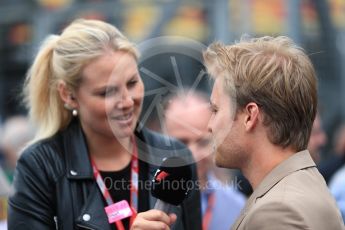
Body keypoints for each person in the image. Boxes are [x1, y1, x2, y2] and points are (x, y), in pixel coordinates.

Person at [8, 19, 202, 230]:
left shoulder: (174, 156)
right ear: (69, 95)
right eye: (107, 92)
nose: (127, 101)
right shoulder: (40, 166)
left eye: (132, 83)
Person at [203, 36, 344, 229]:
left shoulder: (277, 211)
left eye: (215, 110)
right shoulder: (296, 188)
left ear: (250, 116)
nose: (209, 126)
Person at [164, 91, 245, 230]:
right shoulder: (139, 198)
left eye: (202, 142)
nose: (193, 155)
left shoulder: (237, 207)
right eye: (181, 143)